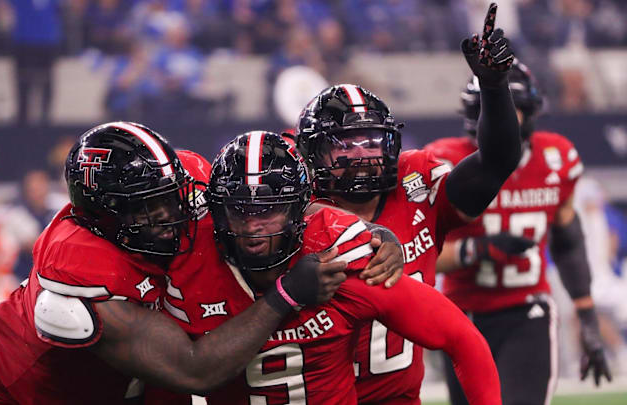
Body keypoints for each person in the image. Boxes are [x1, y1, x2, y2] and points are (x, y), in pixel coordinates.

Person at [0, 122, 347, 404]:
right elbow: (193, 370)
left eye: (169, 197)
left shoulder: (188, 180)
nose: (170, 215)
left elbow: (268, 197)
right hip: (32, 395)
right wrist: (286, 295)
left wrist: (363, 231)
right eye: (147, 209)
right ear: (104, 216)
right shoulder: (83, 274)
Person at [152, 132, 501, 405]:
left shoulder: (339, 256)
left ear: (298, 211)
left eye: (268, 209)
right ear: (216, 211)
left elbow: (461, 337)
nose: (254, 224)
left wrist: (377, 233)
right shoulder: (186, 261)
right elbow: (180, 377)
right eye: (240, 209)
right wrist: (287, 295)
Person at [294, 4, 522, 403]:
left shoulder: (416, 183)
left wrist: (494, 87)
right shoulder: (294, 211)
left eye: (372, 141)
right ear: (313, 155)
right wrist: (365, 233)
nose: (363, 155)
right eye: (347, 145)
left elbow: (496, 162)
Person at [424, 61, 611, 405]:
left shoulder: (556, 157)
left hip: (526, 311)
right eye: (489, 109)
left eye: (508, 109)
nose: (498, 119)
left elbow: (568, 242)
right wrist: (479, 249)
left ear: (528, 112)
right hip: (460, 316)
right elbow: (419, 254)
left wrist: (587, 320)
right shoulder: (443, 161)